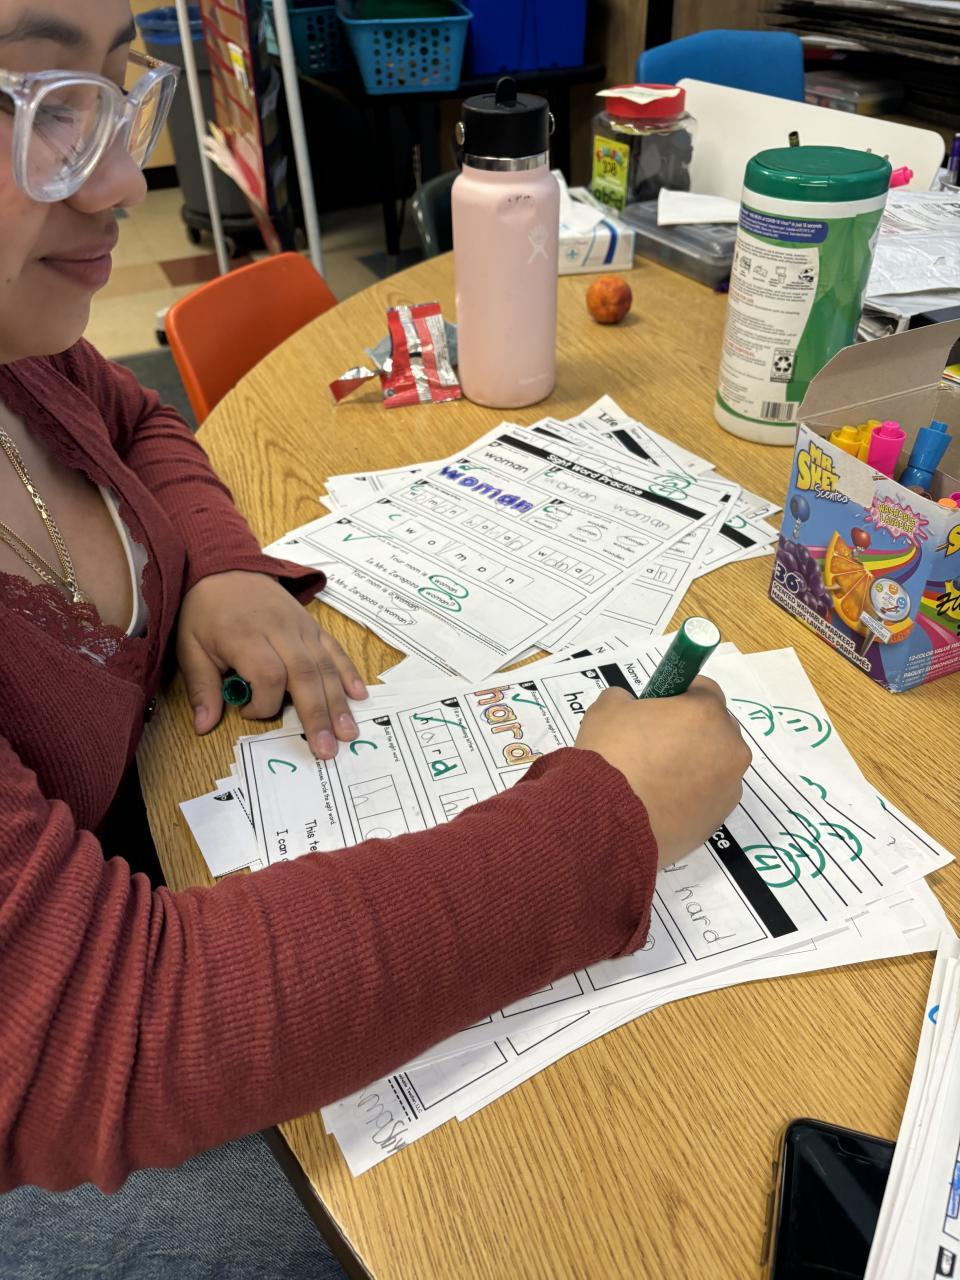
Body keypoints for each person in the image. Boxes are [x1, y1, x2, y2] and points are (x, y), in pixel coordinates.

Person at [0, 2, 751, 1276]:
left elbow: (140, 421)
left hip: (148, 879)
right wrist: (609, 818)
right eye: (46, 105)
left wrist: (217, 564)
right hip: (66, 1124)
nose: (125, 178)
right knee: (512, 1213)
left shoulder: (27, 348)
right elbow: (114, 1026)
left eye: (122, 88)